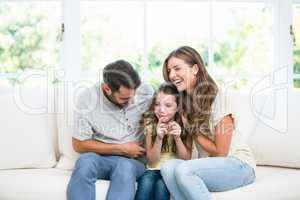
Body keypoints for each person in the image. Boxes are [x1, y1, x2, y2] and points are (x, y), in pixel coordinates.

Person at [160, 46, 256, 200]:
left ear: (195, 69)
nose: (172, 75)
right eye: (169, 70)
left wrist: (191, 129)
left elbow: (221, 153)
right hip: (208, 166)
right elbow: (186, 158)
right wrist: (175, 135)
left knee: (184, 170)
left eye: (177, 68)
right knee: (168, 168)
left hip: (239, 166)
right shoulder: (186, 105)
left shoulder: (220, 97)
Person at [67, 60, 154, 200]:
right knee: (84, 161)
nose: (131, 102)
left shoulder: (146, 92)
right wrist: (122, 148)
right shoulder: (87, 99)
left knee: (124, 167)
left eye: (134, 96)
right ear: (107, 89)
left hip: (132, 162)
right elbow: (78, 144)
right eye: (125, 99)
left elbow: (170, 105)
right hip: (101, 159)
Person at [135, 83, 192, 200]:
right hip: (153, 169)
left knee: (161, 186)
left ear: (177, 108)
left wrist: (177, 138)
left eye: (168, 105)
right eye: (157, 104)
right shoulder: (150, 124)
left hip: (172, 171)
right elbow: (151, 161)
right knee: (146, 181)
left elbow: (185, 159)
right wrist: (159, 138)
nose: (161, 110)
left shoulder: (184, 125)